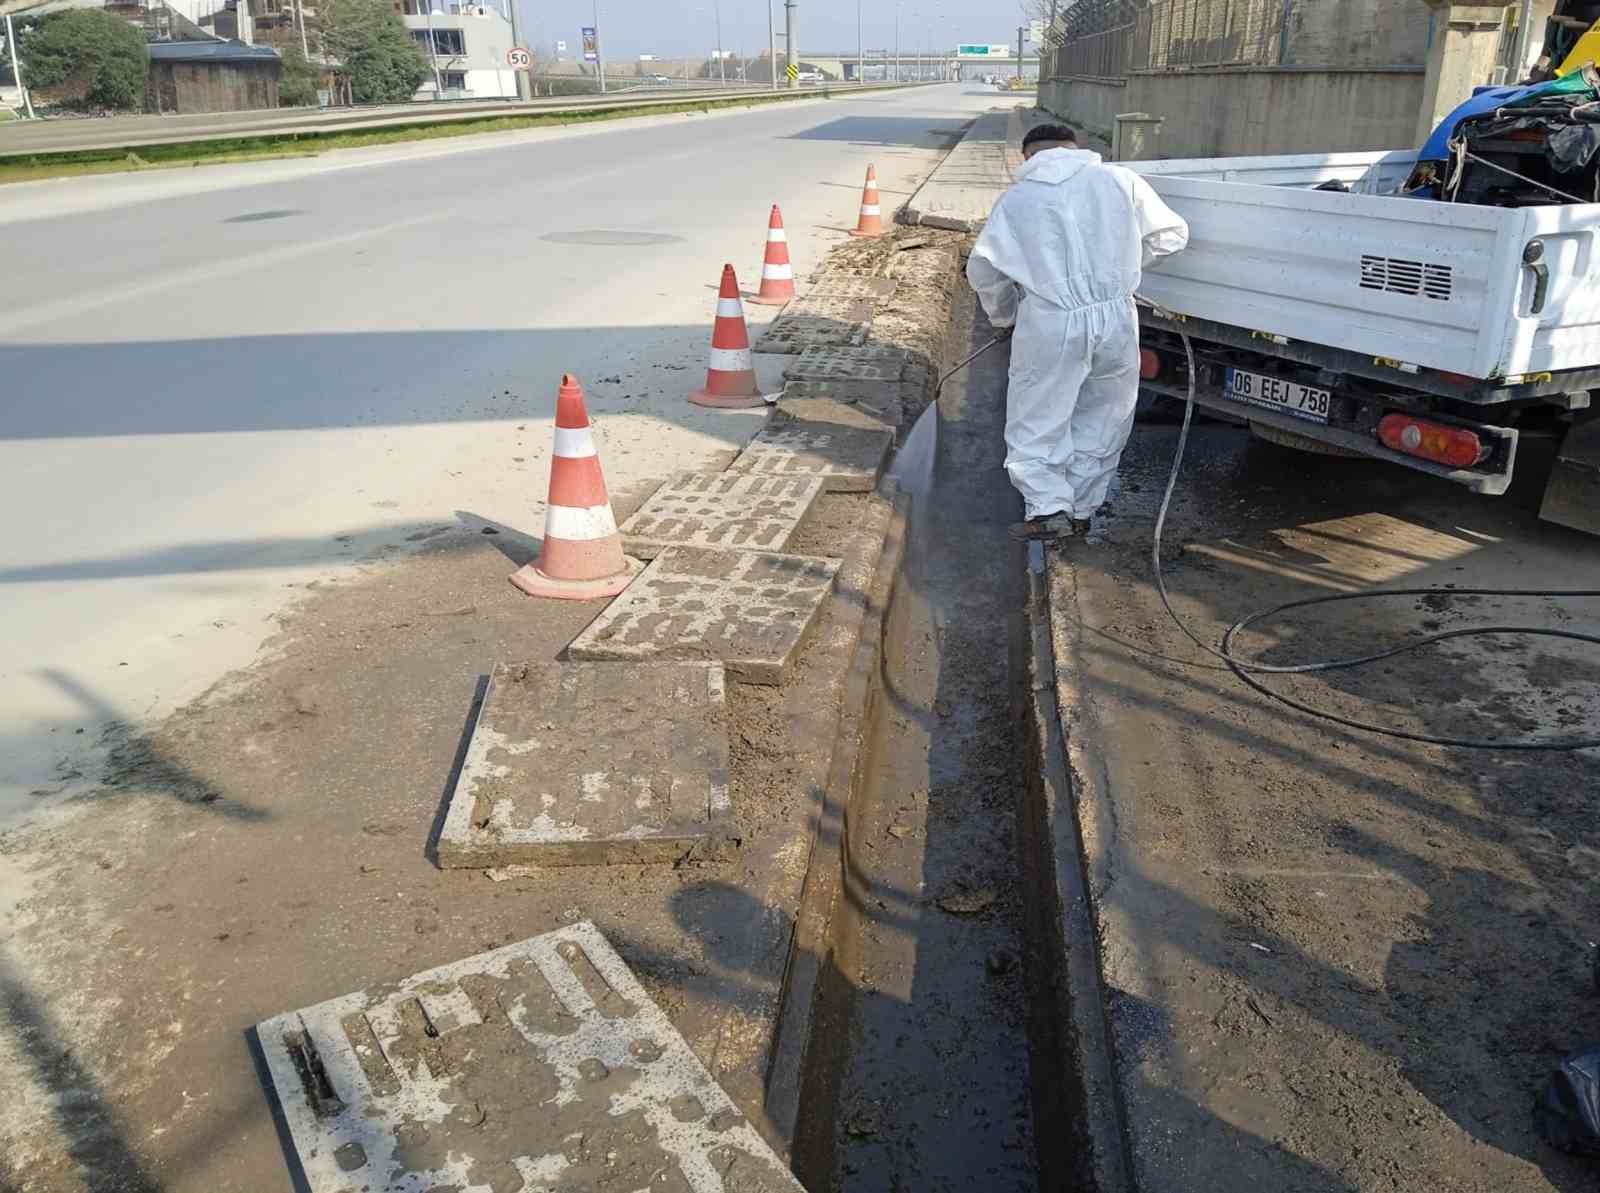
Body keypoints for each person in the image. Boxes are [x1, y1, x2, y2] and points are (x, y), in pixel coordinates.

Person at [967, 122, 1190, 538]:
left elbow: (984, 270)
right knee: (1105, 413)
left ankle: (1049, 509)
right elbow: (1172, 236)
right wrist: (1120, 272)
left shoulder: (1018, 199)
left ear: (1028, 156)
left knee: (1039, 417)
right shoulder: (1120, 180)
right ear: (1075, 147)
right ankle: (1083, 507)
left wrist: (1005, 317)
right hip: (1116, 316)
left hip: (1051, 320)